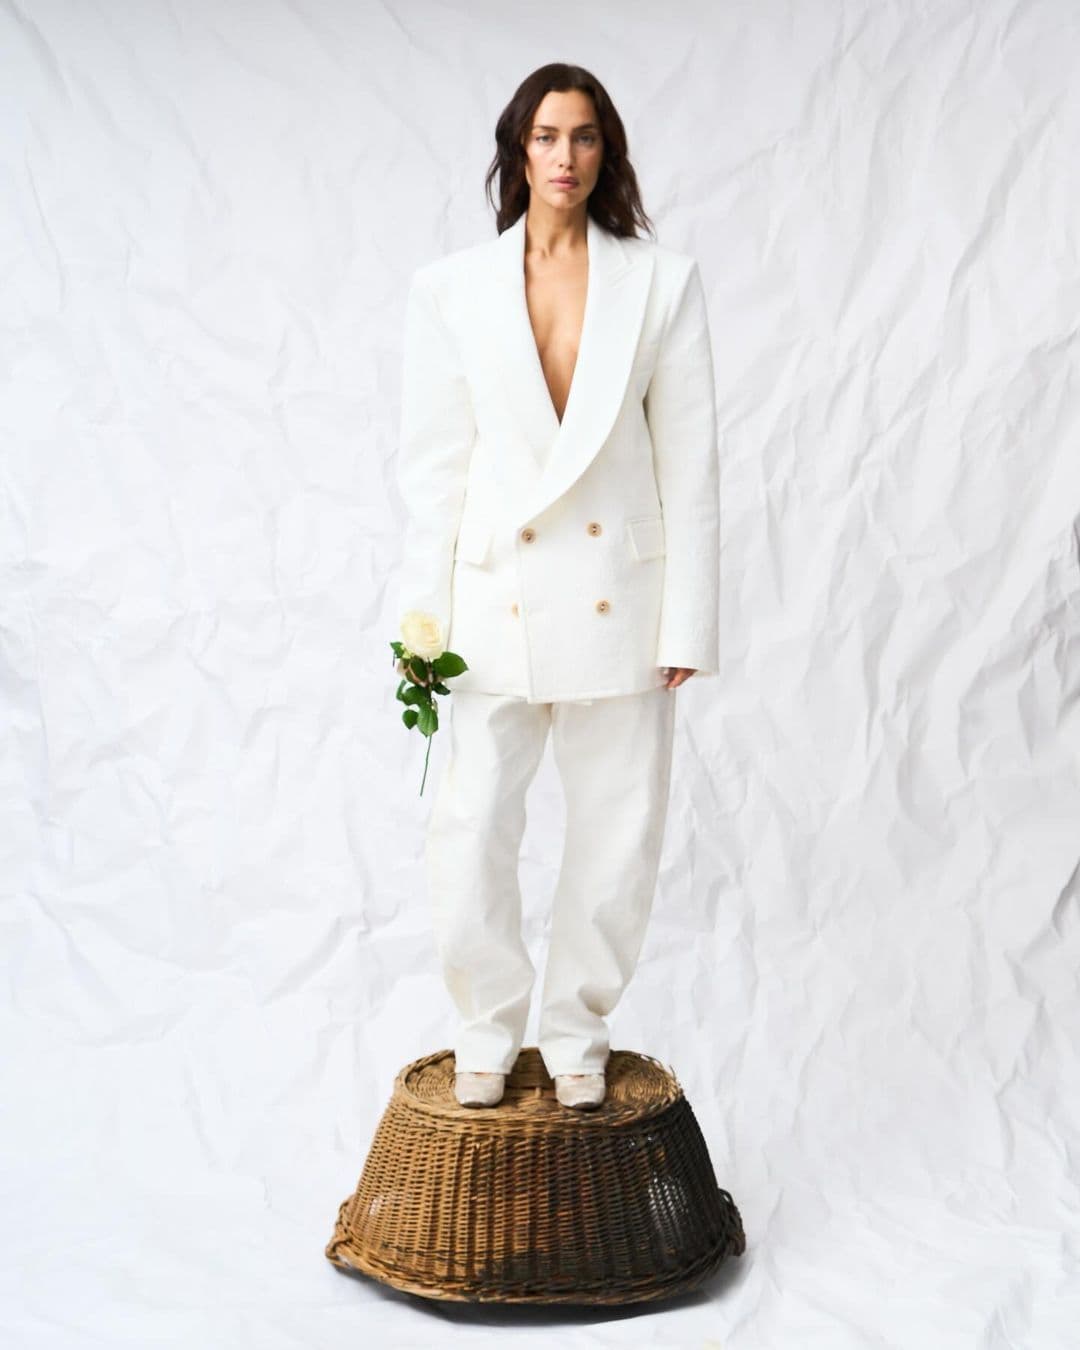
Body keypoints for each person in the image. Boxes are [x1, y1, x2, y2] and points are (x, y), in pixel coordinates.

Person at [393, 63, 719, 1111]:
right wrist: (419, 622)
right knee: (471, 829)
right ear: (518, 149)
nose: (565, 156)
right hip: (491, 603)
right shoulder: (451, 289)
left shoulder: (662, 283)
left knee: (618, 834)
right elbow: (433, 469)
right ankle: (484, 1028)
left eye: (583, 136)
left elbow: (692, 464)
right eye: (546, 136)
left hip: (622, 599)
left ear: (605, 150)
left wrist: (689, 618)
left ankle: (578, 1031)